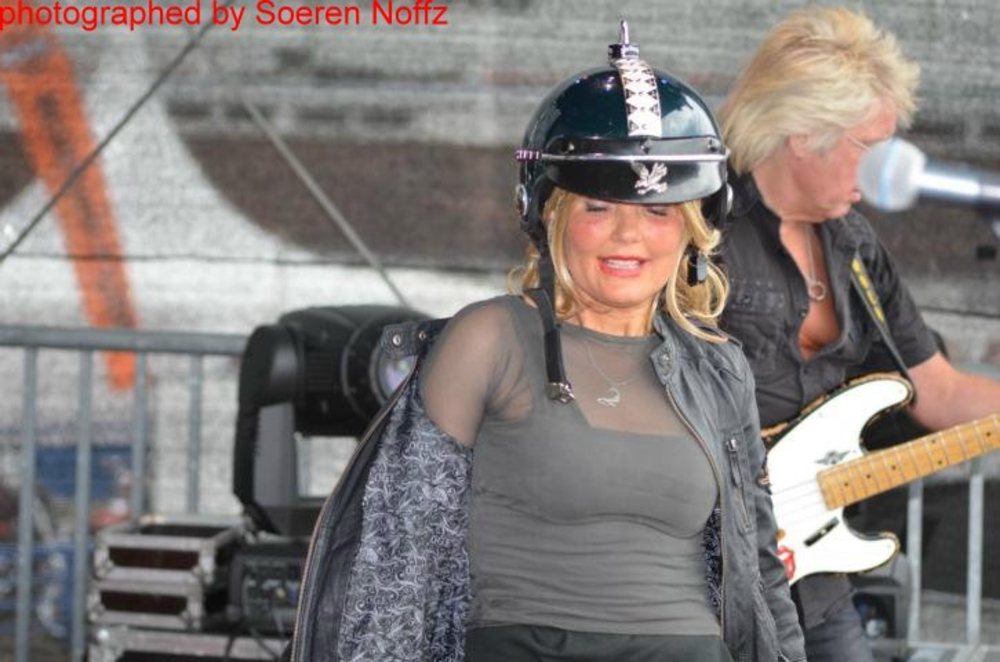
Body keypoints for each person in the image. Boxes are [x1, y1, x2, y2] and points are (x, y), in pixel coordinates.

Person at [284, 23, 805, 662]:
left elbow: (760, 570)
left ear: (694, 228)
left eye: (657, 211)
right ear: (548, 216)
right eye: (597, 209)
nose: (628, 236)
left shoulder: (720, 369)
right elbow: (397, 561)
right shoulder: (489, 339)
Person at [715, 6, 1000, 662]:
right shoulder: (700, 233)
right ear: (803, 132)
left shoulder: (854, 246)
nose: (881, 172)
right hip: (705, 571)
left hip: (813, 571)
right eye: (869, 148)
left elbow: (940, 394)